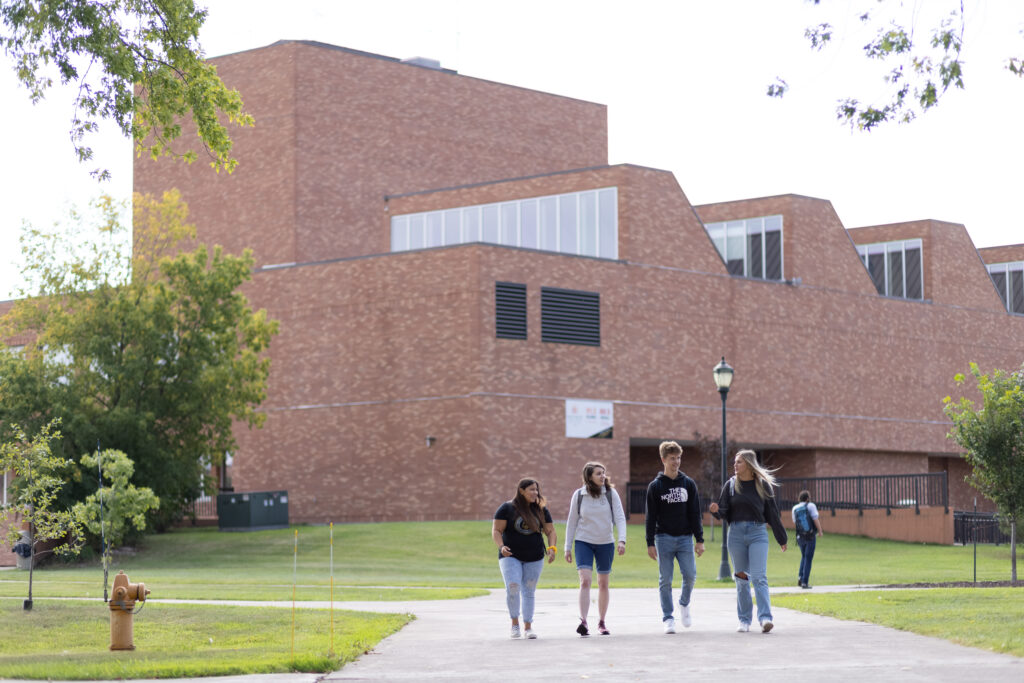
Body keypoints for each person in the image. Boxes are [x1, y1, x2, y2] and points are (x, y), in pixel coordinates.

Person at [709, 449, 788, 634]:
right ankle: (744, 620)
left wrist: (781, 537)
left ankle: (765, 618)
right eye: (735, 462)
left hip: (757, 533)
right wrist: (715, 510)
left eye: (739, 462)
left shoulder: (763, 486)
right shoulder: (730, 485)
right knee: (742, 579)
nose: (735, 465)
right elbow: (724, 511)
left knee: (759, 577)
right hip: (735, 534)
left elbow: (772, 513)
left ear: (749, 465)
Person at [645, 440, 705, 634]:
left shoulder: (688, 484)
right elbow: (650, 516)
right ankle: (668, 617)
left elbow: (695, 513)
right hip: (663, 538)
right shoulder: (655, 487)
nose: (676, 462)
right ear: (663, 459)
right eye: (672, 458)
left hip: (685, 538)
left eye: (678, 458)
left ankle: (684, 603)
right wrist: (649, 542)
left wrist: (700, 539)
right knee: (666, 580)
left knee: (690, 575)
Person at [564, 461, 627, 636]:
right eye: (598, 473)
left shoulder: (610, 494)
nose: (603, 476)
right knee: (585, 580)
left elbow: (620, 518)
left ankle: (601, 622)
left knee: (603, 583)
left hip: (606, 543)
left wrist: (622, 540)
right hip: (583, 541)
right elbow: (572, 522)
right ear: (589, 476)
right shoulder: (579, 495)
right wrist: (567, 547)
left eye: (604, 473)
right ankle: (583, 621)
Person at [492, 477, 557, 639]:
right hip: (510, 555)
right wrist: (501, 546)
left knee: (529, 591)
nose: (535, 493)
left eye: (537, 490)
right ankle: (515, 624)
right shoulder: (506, 508)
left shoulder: (541, 510)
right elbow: (496, 530)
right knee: (513, 587)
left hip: (534, 556)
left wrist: (552, 548)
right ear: (521, 491)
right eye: (532, 490)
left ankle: (528, 627)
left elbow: (550, 531)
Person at [791, 490, 824, 589]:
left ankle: (800, 578)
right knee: (808, 558)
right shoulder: (811, 506)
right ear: (807, 498)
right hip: (810, 536)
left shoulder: (795, 508)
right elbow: (815, 519)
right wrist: (820, 531)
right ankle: (805, 582)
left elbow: (795, 521)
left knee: (804, 556)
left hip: (800, 536)